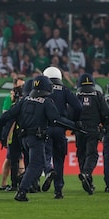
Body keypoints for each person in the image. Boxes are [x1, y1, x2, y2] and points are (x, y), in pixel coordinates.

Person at [0, 75, 76, 202]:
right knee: (36, 165)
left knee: (36, 163)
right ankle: (22, 191)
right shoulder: (46, 102)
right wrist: (75, 126)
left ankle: (25, 182)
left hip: (23, 139)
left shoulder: (24, 100)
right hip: (36, 139)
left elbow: (9, 114)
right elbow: (56, 119)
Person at [41, 66, 82, 198]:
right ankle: (58, 190)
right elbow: (77, 106)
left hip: (45, 127)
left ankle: (48, 171)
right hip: (60, 128)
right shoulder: (64, 90)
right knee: (59, 159)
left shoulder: (42, 90)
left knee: (45, 155)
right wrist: (72, 121)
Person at [75, 73, 109, 195]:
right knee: (92, 154)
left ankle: (87, 179)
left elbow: (70, 111)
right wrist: (102, 124)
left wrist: (75, 124)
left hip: (79, 129)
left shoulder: (77, 95)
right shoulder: (98, 95)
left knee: (81, 154)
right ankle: (86, 173)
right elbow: (106, 112)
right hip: (93, 129)